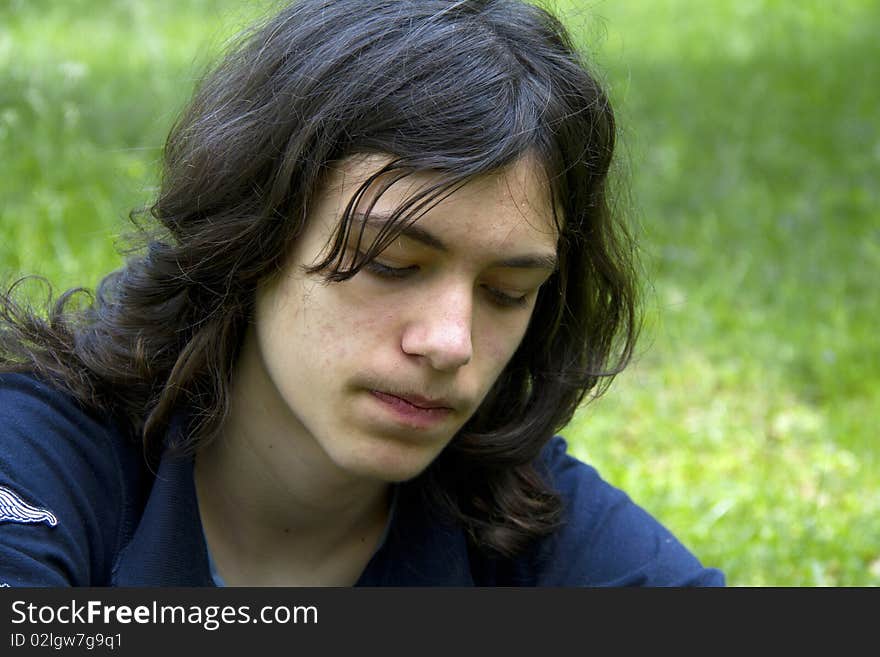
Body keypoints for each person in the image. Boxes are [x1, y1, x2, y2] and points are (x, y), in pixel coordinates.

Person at [0, 0, 724, 586]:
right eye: (390, 263)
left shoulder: (514, 515)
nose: (450, 342)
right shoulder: (41, 461)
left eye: (508, 291)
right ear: (254, 239)